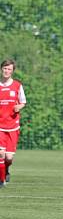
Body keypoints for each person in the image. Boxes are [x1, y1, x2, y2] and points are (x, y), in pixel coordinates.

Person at [0, 59, 26, 187]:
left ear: (12, 71)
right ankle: (1, 179)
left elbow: (23, 102)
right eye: (5, 68)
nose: (6, 71)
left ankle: (6, 170)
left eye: (9, 69)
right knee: (1, 153)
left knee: (9, 158)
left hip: (13, 127)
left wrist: (19, 107)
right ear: (1, 69)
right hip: (0, 127)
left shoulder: (17, 85)